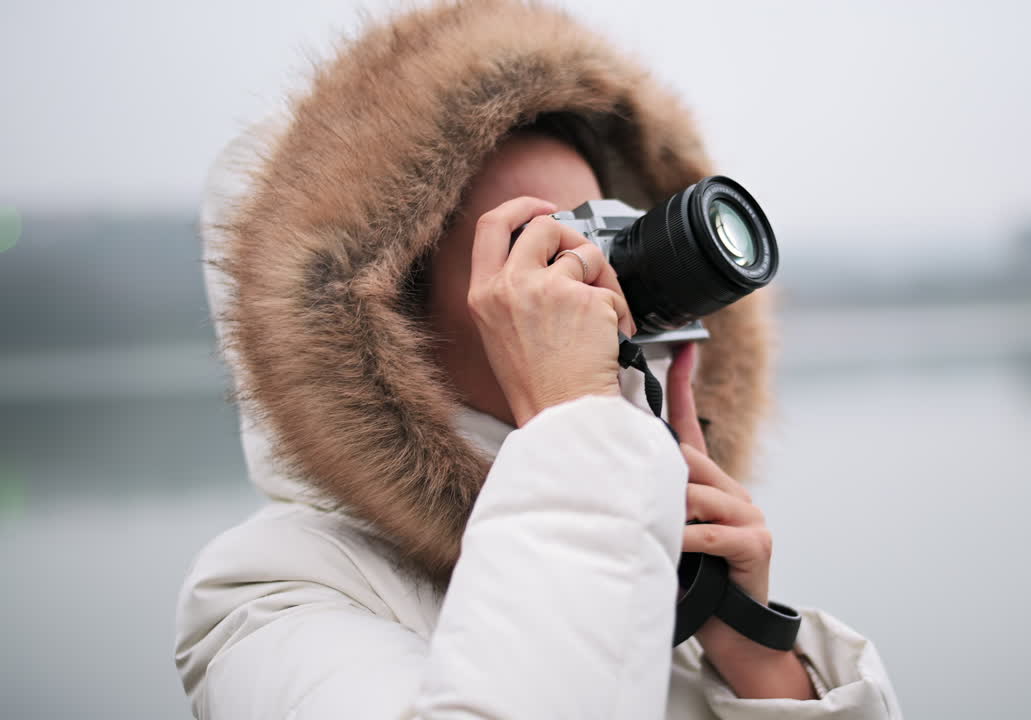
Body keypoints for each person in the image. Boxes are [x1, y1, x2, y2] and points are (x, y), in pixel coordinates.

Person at [174, 2, 902, 718]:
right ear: (382, 316)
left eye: (604, 228)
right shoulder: (269, 595)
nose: (596, 274)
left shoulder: (647, 529)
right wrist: (578, 433)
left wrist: (755, 655)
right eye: (542, 242)